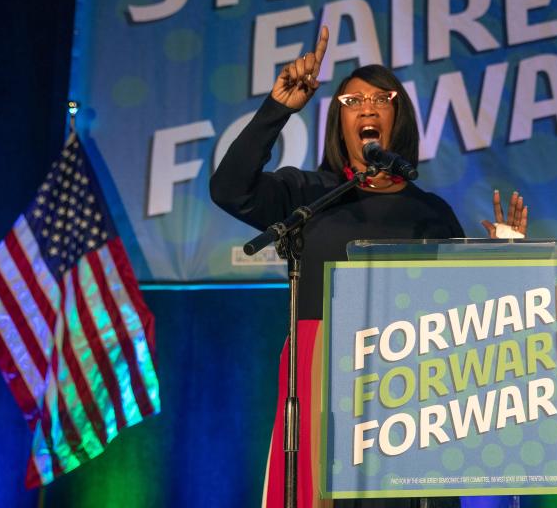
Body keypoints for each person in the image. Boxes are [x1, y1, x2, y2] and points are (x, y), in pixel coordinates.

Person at [210, 26, 528, 508]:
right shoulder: (307, 194)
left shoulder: (432, 213)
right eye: (351, 102)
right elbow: (230, 190)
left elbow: (468, 323)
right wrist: (277, 109)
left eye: (380, 99)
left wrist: (505, 262)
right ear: (339, 125)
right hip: (321, 383)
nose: (366, 108)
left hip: (413, 394)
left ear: (397, 119)